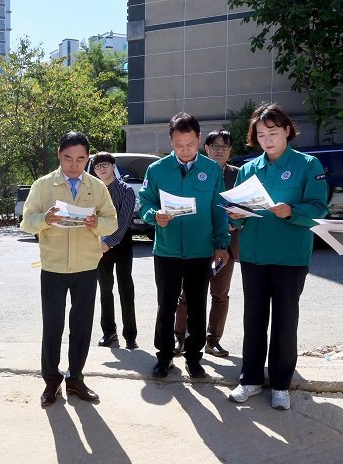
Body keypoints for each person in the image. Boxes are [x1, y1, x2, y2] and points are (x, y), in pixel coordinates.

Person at [226, 103, 328, 411]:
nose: (267, 139)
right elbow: (241, 212)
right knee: (253, 319)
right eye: (260, 134)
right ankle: (250, 379)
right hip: (255, 254)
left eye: (272, 132)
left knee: (285, 320)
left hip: (289, 255)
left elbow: (319, 208)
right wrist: (235, 216)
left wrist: (291, 211)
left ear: (286, 130)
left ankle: (281, 383)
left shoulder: (308, 165)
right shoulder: (248, 168)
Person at [20, 131, 117, 408]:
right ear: (58, 155)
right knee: (52, 325)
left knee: (82, 326)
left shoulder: (97, 187)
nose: (74, 165)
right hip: (53, 267)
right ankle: (52, 382)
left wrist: (96, 224)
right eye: (68, 158)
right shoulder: (43, 185)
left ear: (88, 158)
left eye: (81, 159)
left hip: (86, 267)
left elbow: (112, 221)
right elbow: (26, 223)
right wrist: (45, 218)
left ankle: (76, 379)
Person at [138, 112, 230, 380]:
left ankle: (194, 357)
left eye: (190, 144)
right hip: (166, 251)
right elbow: (145, 203)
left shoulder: (212, 170)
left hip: (200, 251)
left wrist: (222, 244)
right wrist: (154, 215)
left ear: (199, 140)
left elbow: (218, 210)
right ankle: (164, 356)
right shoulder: (157, 170)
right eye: (179, 145)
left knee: (197, 305)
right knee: (165, 305)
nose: (185, 150)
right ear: (171, 141)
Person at [174, 130, 240, 358]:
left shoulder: (239, 176)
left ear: (231, 151)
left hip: (226, 245)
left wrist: (233, 222)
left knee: (220, 294)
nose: (220, 150)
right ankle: (179, 338)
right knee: (187, 294)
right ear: (207, 148)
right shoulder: (194, 170)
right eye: (215, 146)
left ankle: (213, 340)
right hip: (196, 244)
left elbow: (249, 206)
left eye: (225, 146)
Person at [91, 152, 138, 350]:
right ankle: (109, 333)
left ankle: (130, 335)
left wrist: (108, 242)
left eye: (105, 165)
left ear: (113, 166)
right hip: (99, 245)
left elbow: (125, 220)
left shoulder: (126, 190)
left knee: (125, 289)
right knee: (105, 289)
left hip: (122, 243)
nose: (102, 169)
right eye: (98, 166)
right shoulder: (92, 191)